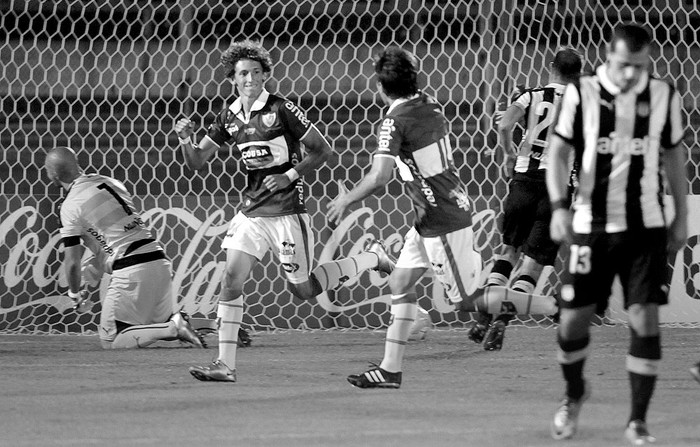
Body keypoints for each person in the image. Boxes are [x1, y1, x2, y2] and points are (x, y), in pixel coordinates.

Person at [327, 46, 557, 389]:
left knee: (465, 300)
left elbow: (380, 176)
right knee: (400, 282)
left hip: (441, 218)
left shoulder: (394, 121)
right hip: (432, 214)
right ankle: (390, 370)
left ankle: (558, 306)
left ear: (379, 86)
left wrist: (346, 197)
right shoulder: (428, 102)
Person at [175, 39, 396, 383]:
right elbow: (197, 161)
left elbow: (323, 150)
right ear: (232, 79)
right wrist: (186, 139)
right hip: (251, 212)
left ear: (265, 75)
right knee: (231, 280)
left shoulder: (283, 110)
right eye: (242, 73)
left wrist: (289, 175)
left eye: (255, 72)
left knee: (304, 290)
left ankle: (372, 258)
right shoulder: (229, 116)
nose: (249, 78)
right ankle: (224, 365)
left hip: (288, 211)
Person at [546, 23, 687, 444]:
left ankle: (637, 421)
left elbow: (673, 156)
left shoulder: (663, 95)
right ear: (610, 57)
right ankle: (574, 393)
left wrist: (680, 216)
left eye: (640, 67)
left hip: (645, 226)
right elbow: (557, 153)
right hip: (591, 227)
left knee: (644, 317)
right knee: (573, 322)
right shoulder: (581, 94)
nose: (632, 75)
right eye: (625, 66)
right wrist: (557, 208)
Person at [468, 48, 583, 351]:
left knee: (508, 252)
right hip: (556, 189)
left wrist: (508, 153)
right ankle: (502, 323)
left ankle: (483, 316)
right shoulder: (583, 104)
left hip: (523, 182)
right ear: (578, 74)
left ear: (551, 67)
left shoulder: (531, 95)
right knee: (531, 265)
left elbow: (504, 125)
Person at [44, 147, 206, 350]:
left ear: (53, 175)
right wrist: (96, 264)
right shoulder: (110, 182)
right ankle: (219, 325)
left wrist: (74, 295)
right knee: (150, 328)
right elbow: (115, 235)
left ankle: (175, 329)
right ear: (77, 165)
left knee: (112, 340)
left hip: (132, 271)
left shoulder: (70, 206)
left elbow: (72, 262)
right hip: (158, 261)